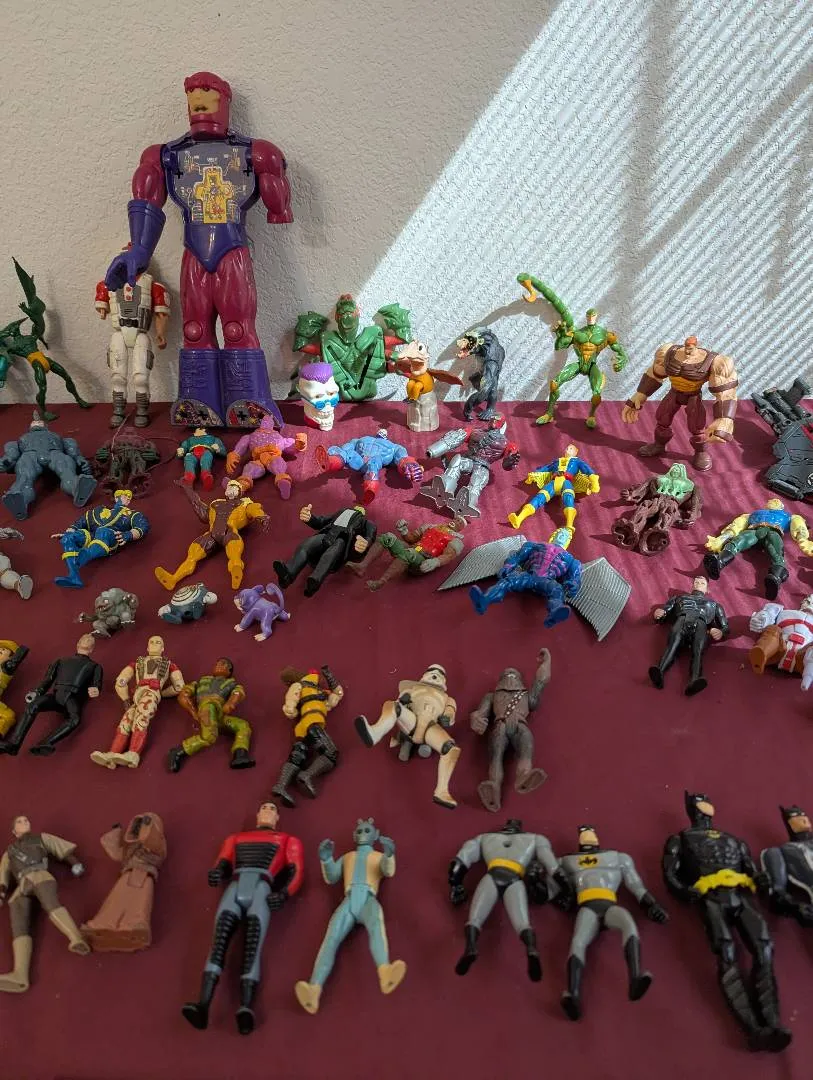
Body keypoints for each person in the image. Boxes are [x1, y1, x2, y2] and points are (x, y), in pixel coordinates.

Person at [649, 576, 728, 695]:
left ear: (708, 589)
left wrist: (721, 632)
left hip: (701, 624)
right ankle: (660, 671)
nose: (698, 584)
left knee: (698, 650)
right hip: (681, 620)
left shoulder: (714, 605)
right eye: (696, 582)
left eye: (702, 583)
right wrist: (660, 614)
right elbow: (665, 611)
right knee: (672, 644)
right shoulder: (679, 598)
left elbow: (725, 627)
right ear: (692, 585)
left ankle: (695, 680)